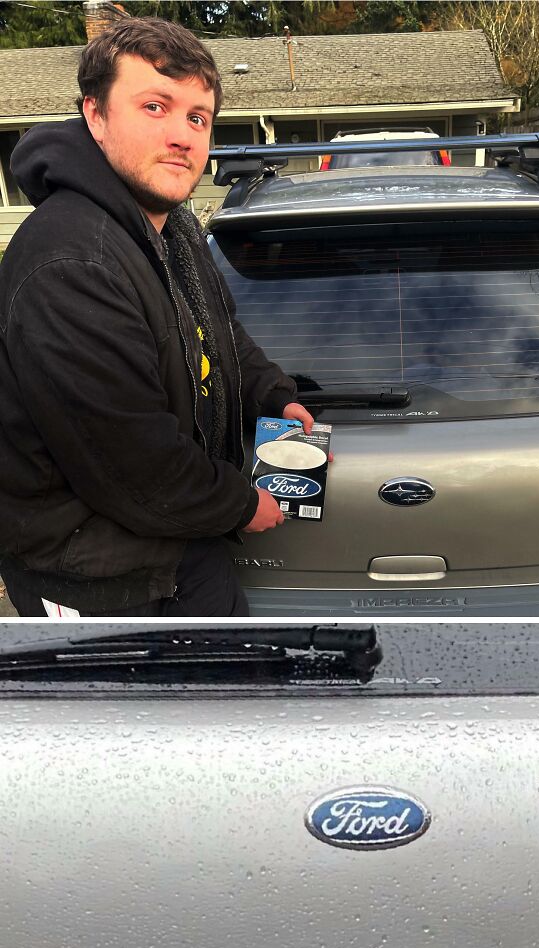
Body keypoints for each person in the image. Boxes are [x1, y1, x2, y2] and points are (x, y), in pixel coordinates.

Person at [0, 17, 315, 617]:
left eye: (198, 118)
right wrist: (241, 504)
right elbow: (132, 462)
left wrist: (271, 393)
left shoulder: (172, 227)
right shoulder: (73, 262)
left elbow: (218, 329)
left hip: (173, 538)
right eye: (155, 107)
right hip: (96, 575)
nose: (181, 136)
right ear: (95, 115)